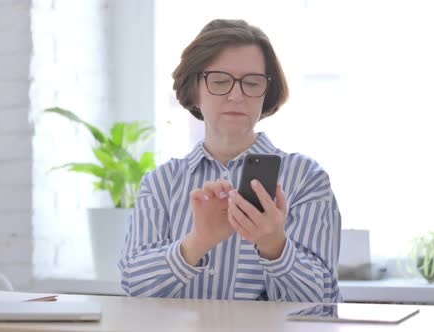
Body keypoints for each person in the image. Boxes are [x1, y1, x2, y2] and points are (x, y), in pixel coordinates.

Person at [118, 18, 342, 302]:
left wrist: (274, 245)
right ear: (194, 90)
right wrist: (197, 242)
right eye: (220, 81)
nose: (236, 95)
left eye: (252, 83)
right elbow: (133, 285)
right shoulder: (161, 182)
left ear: (266, 93)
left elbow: (322, 300)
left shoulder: (306, 178)